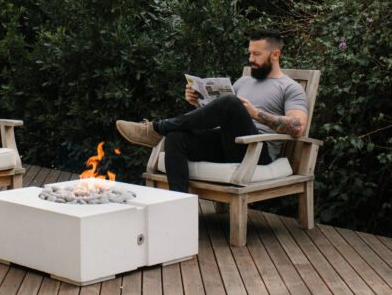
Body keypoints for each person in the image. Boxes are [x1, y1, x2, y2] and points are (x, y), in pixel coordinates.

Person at [116, 29, 309, 192]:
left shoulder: (290, 87)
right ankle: (179, 208)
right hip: (227, 143)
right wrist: (198, 103)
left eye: (257, 54)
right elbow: (222, 117)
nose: (251, 59)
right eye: (250, 53)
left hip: (257, 151)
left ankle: (157, 129)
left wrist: (255, 113)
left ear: (275, 55)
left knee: (230, 103)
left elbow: (297, 127)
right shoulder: (243, 81)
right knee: (177, 136)